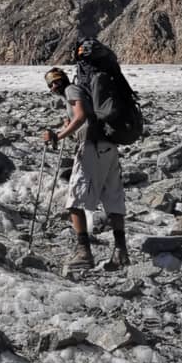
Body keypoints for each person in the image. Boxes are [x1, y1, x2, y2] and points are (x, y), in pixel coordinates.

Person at [40, 66, 128, 272]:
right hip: (108, 146)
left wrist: (57, 136)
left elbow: (80, 117)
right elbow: (81, 119)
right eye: (50, 83)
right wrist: (67, 128)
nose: (54, 86)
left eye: (56, 81)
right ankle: (121, 252)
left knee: (74, 201)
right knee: (113, 197)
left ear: (63, 80)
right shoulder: (82, 92)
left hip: (91, 148)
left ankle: (84, 253)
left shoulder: (72, 90)